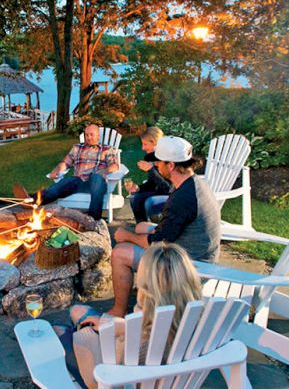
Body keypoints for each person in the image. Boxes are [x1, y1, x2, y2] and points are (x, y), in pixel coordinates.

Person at [109, 135, 220, 317]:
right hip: (197, 251)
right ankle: (144, 286)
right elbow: (171, 228)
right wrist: (141, 230)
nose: (157, 167)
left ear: (170, 165)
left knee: (120, 252)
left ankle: (118, 311)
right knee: (142, 226)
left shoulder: (184, 198)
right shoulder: (194, 183)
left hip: (189, 266)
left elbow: (157, 243)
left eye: (159, 163)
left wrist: (126, 236)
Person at [69, 243, 203, 388]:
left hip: (110, 376)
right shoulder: (195, 316)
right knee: (79, 312)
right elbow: (148, 330)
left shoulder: (143, 334)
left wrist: (98, 333)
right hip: (163, 376)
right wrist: (119, 326)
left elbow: (119, 363)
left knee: (61, 331)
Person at [16, 123, 119, 221]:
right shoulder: (77, 147)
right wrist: (56, 170)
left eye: (92, 135)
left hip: (96, 183)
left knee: (95, 178)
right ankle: (31, 200)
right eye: (87, 135)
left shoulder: (107, 149)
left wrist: (101, 172)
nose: (89, 137)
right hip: (78, 182)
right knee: (62, 185)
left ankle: (93, 219)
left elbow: (114, 165)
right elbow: (66, 162)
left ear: (98, 136)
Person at [126, 126, 171, 222]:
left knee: (140, 198)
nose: (143, 148)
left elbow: (168, 188)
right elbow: (152, 184)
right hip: (161, 191)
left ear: (155, 143)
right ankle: (142, 227)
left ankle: (147, 228)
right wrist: (138, 188)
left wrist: (151, 169)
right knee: (135, 195)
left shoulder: (168, 159)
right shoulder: (155, 158)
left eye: (145, 144)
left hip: (173, 194)